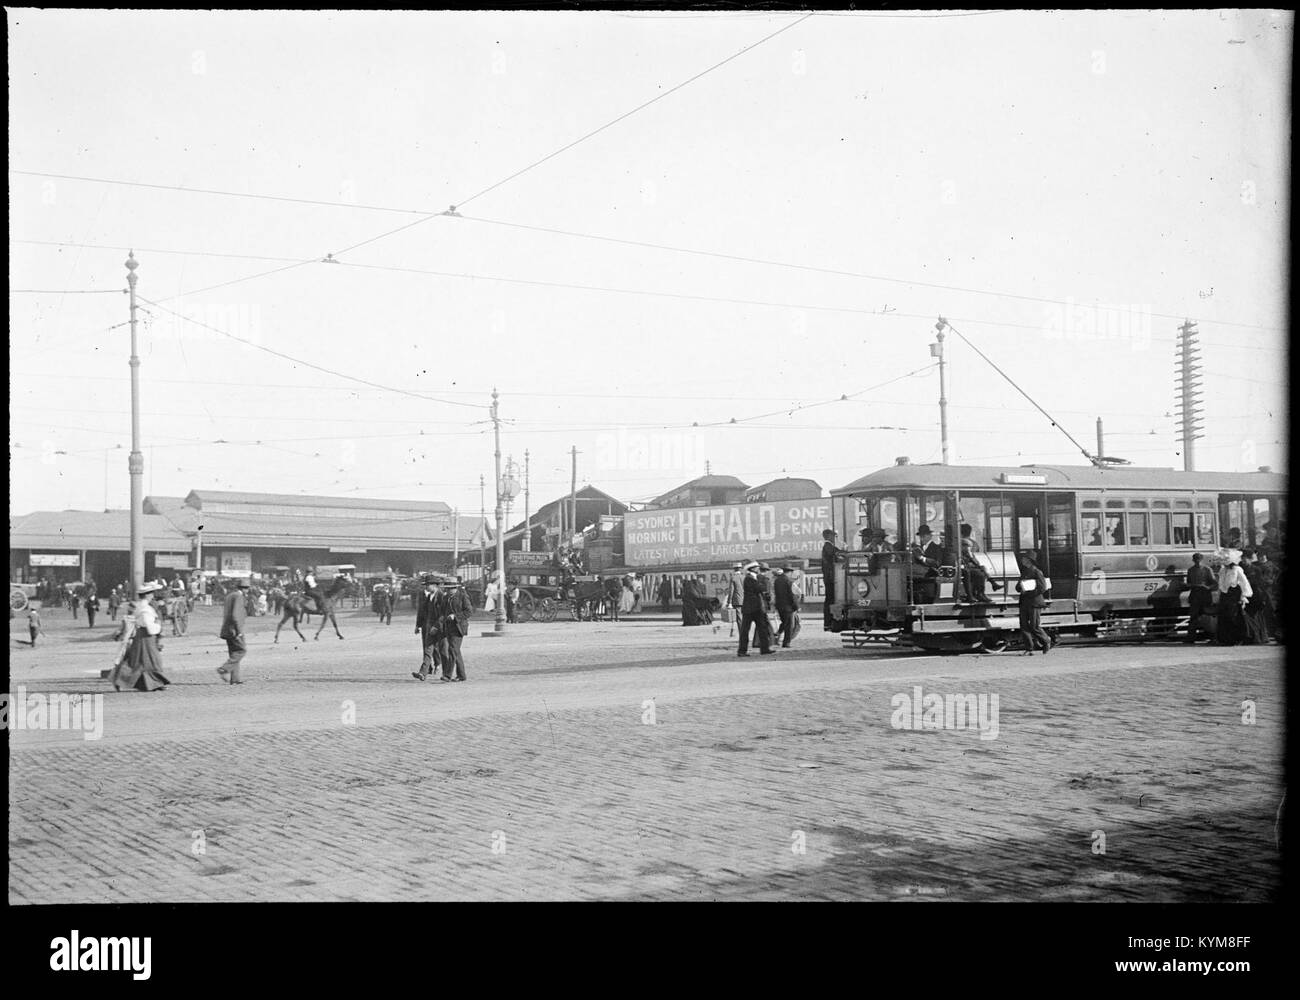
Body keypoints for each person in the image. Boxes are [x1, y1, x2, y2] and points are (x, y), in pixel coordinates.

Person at [110, 582, 170, 692]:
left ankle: (154, 683)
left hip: (143, 636)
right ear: (147, 595)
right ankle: (121, 679)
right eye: (151, 593)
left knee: (142, 661)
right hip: (146, 637)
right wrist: (158, 628)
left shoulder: (141, 606)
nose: (152, 595)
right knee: (149, 660)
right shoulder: (145, 609)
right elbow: (148, 625)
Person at [1015, 553, 1052, 655]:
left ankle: (1046, 641)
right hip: (1024, 602)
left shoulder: (1037, 572)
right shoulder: (1024, 571)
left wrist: (1029, 593)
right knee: (1024, 626)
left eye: (1024, 558)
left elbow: (1042, 587)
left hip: (1034, 602)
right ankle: (1029, 648)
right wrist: (1020, 586)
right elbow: (1017, 587)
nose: (1022, 560)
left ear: (1029, 560)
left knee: (1034, 626)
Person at [1214, 550, 1251, 646]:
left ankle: (1237, 638)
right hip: (1225, 595)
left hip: (1234, 594)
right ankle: (1225, 639)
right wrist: (1219, 596)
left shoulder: (1237, 569)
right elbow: (1220, 584)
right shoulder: (1222, 570)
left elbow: (1244, 582)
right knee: (1224, 616)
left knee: (1233, 616)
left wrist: (1244, 596)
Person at [439, 577, 473, 682]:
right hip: (448, 627)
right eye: (447, 589)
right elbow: (442, 612)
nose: (448, 591)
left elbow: (469, 612)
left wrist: (456, 616)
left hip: (459, 627)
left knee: (452, 650)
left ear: (455, 588)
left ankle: (447, 675)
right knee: (456, 651)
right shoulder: (445, 598)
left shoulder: (462, 596)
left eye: (450, 588)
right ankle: (462, 675)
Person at [737, 561, 774, 656]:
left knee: (762, 629)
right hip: (751, 608)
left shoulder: (754, 578)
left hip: (755, 608)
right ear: (753, 569)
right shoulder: (750, 579)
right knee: (746, 630)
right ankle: (742, 651)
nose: (758, 569)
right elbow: (759, 588)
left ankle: (764, 648)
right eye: (757, 567)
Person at [412, 575, 444, 681]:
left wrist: (436, 626)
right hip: (428, 627)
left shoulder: (440, 596)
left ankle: (444, 670)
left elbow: (443, 614)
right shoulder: (428, 596)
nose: (426, 587)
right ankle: (423, 672)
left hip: (439, 628)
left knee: (443, 651)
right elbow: (422, 612)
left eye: (428, 585)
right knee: (428, 650)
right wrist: (418, 625)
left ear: (434, 585)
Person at [218, 579, 250, 684]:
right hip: (234, 630)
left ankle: (235, 679)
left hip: (227, 629)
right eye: (247, 588)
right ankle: (224, 669)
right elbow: (235, 615)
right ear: (245, 588)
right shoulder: (238, 597)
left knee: (234, 653)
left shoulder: (230, 596)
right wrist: (239, 631)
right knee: (242, 651)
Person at [959, 523, 1000, 603]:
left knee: (981, 570)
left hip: (969, 565)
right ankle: (983, 591)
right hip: (966, 566)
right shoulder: (973, 543)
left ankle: (982, 592)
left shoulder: (962, 542)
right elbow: (972, 556)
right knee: (980, 572)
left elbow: (971, 556)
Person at [1184, 553, 1216, 643]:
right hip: (1195, 596)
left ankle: (1212, 637)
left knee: (1208, 617)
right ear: (1193, 560)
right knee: (1193, 617)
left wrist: (1208, 587)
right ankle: (1190, 638)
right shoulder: (1190, 570)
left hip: (1205, 596)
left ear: (1202, 560)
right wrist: (1189, 585)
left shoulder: (1207, 570)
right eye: (1195, 560)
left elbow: (1214, 583)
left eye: (1199, 560)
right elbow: (1188, 582)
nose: (1197, 562)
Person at [1240, 549, 1270, 645]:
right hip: (1244, 594)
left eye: (1245, 559)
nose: (1244, 561)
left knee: (1256, 616)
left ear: (1249, 559)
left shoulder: (1256, 569)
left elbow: (1260, 583)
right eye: (1242, 559)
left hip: (1255, 594)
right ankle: (1248, 636)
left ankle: (1259, 637)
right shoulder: (1240, 568)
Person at [1146, 565, 1185, 638]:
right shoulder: (1173, 583)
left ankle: (1163, 633)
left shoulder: (1172, 583)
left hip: (1169, 605)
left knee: (1165, 619)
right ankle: (1164, 633)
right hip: (1170, 605)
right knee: (1167, 619)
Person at [821, 528, 848, 629]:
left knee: (831, 599)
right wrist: (844, 551)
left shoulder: (829, 546)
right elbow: (836, 553)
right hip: (831, 578)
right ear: (828, 536)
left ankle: (831, 621)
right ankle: (829, 622)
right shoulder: (828, 546)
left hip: (831, 577)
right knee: (830, 599)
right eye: (833, 536)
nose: (834, 538)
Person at [910, 525, 944, 605]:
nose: (921, 538)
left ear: (930, 536)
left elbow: (937, 563)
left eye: (923, 536)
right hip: (920, 572)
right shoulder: (918, 548)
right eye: (920, 536)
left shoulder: (936, 548)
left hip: (931, 572)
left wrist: (922, 558)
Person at [773, 566, 799, 648]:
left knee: (784, 622)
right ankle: (786, 642)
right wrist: (796, 607)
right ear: (789, 572)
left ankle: (778, 633)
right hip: (788, 606)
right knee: (789, 625)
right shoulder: (789, 581)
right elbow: (792, 595)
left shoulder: (777, 581)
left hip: (779, 606)